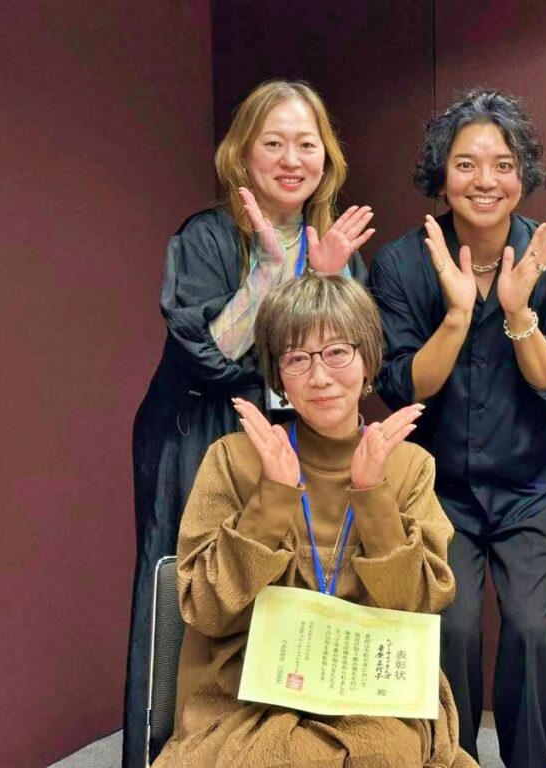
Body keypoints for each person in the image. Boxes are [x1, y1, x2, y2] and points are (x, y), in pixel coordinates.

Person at [126, 79, 374, 767]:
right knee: (193, 591)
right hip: (199, 432)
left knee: (285, 590)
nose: (293, 159)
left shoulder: (334, 242)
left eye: (307, 144)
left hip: (294, 441)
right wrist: (269, 272)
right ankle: (169, 751)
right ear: (242, 153)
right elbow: (209, 355)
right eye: (274, 143)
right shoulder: (204, 237)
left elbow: (350, 363)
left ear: (327, 156)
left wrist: (327, 283)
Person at [153, 274, 475, 767]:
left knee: (386, 754)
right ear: (278, 375)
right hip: (248, 691)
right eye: (297, 358)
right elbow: (207, 609)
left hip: (371, 690)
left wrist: (373, 495)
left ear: (368, 360)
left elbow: (417, 607)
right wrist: (272, 497)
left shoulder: (409, 467)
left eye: (337, 352)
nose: (320, 377)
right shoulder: (233, 459)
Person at [367, 89, 546, 768]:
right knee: (452, 628)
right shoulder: (402, 264)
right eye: (466, 164)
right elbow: (401, 387)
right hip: (438, 490)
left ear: (524, 175)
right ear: (442, 174)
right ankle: (452, 758)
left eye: (502, 164)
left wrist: (519, 314)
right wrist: (459, 317)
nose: (485, 180)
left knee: (528, 630)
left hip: (530, 486)